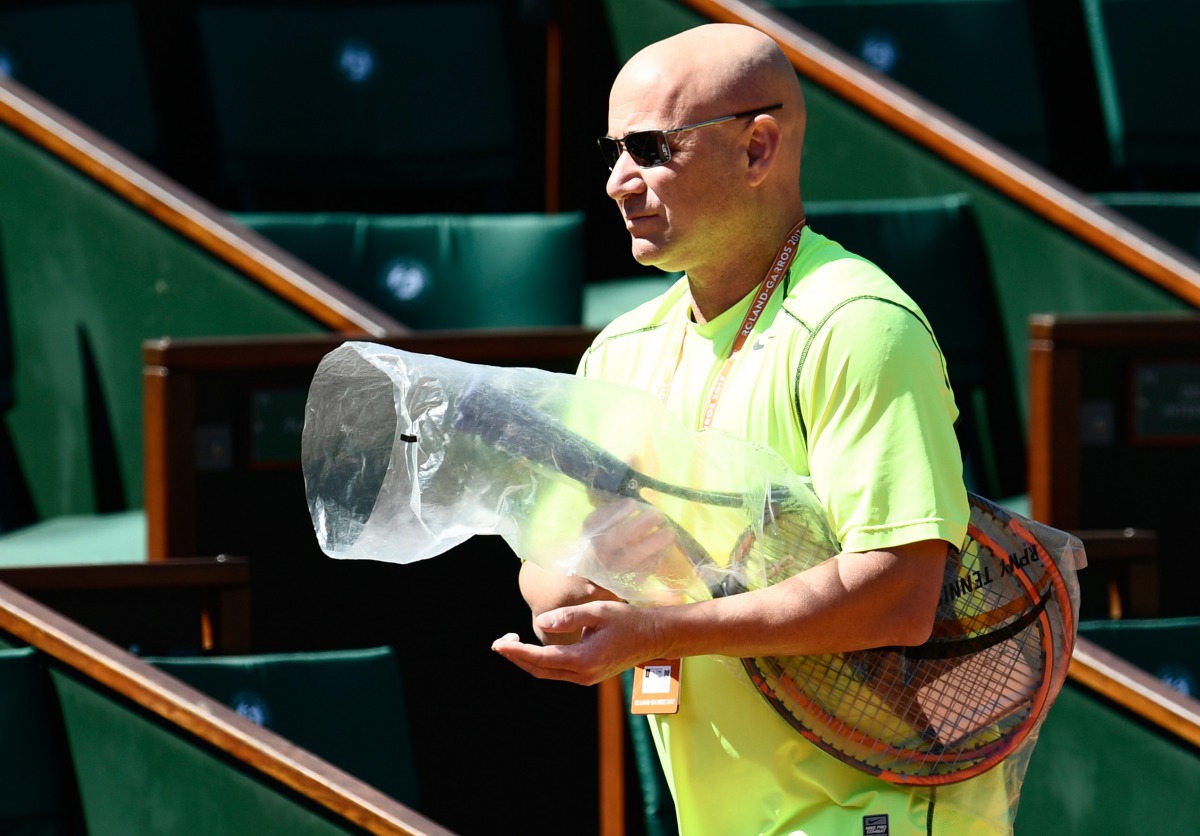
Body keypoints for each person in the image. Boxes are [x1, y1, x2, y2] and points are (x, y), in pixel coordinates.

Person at [493, 23, 1010, 835]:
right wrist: (590, 566)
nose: (618, 182)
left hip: (879, 813)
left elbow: (899, 593)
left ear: (758, 148)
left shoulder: (858, 324)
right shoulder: (618, 353)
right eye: (613, 151)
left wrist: (658, 630)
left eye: (652, 147)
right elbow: (549, 578)